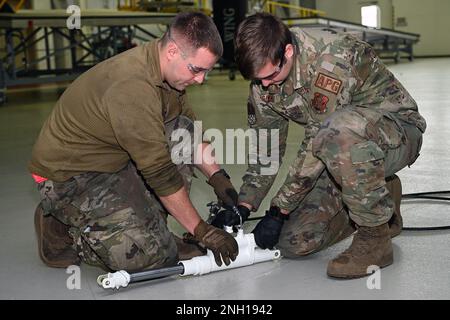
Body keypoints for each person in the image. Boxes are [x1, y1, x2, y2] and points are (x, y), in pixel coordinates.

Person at [211, 13, 426, 279]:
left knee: (337, 131)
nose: (265, 85)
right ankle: (383, 195)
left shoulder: (330, 60)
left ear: (287, 52)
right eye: (258, 80)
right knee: (295, 242)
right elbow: (265, 151)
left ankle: (375, 237)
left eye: (270, 75)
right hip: (341, 152)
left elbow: (317, 141)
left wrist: (279, 210)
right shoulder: (265, 82)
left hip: (397, 133)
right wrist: (244, 206)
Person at [29, 12, 240, 272]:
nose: (200, 80)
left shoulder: (168, 76)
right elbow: (159, 172)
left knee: (180, 129)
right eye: (196, 70)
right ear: (173, 51)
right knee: (146, 257)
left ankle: (153, 231)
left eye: (206, 71)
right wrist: (202, 231)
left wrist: (218, 177)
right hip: (72, 178)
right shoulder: (132, 86)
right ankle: (62, 228)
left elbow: (190, 130)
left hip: (114, 161)